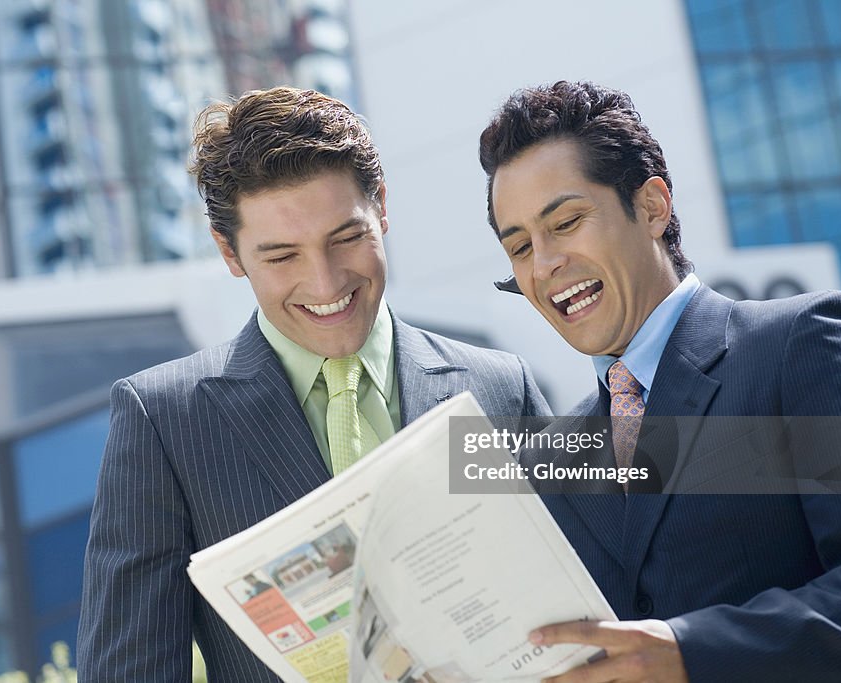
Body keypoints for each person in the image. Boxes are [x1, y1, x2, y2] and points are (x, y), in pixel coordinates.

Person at [76, 86, 549, 682]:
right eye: (282, 257)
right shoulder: (165, 422)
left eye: (346, 238)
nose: (325, 284)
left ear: (381, 207)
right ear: (230, 253)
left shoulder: (500, 389)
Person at [479, 80, 841, 682]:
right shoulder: (550, 458)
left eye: (567, 222)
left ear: (653, 206)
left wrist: (693, 651)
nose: (545, 264)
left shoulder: (799, 345)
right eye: (520, 246)